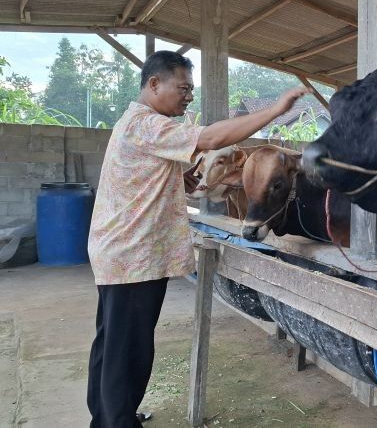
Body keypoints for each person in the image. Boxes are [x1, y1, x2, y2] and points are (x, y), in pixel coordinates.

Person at [86, 50, 308, 427]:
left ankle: (107, 415)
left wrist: (178, 179)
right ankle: (118, 421)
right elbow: (209, 138)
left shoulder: (137, 123)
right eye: (183, 88)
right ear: (154, 84)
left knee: (111, 342)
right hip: (134, 257)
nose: (189, 96)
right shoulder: (147, 124)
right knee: (129, 349)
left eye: (192, 89)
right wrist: (276, 108)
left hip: (121, 254)